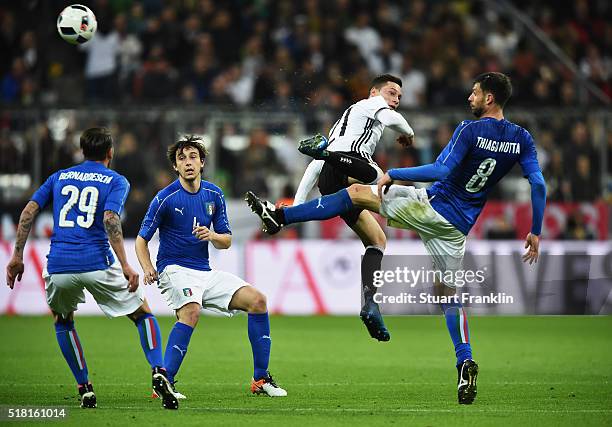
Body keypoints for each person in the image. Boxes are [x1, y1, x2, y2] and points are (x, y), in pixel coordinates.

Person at [246, 72, 547, 404]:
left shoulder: (470, 130)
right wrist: (535, 229)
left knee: (359, 192)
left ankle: (281, 214)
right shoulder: (522, 138)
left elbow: (441, 171)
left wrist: (395, 173)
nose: (469, 98)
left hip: (432, 207)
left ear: (489, 98)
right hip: (458, 228)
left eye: (475, 94)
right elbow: (538, 184)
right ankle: (464, 361)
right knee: (448, 295)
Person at [5, 127, 177, 410]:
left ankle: (84, 387)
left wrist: (17, 256)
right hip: (96, 260)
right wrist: (125, 264)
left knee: (63, 321)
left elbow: (28, 212)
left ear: (82, 151)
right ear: (110, 153)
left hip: (59, 264)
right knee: (143, 314)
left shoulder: (59, 177)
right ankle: (158, 370)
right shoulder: (116, 180)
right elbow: (110, 218)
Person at [135, 136, 287, 398]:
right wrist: (148, 267)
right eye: (181, 159)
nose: (188, 163)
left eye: (193, 157)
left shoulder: (214, 194)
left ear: (202, 162)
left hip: (204, 272)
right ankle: (164, 383)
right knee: (191, 312)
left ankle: (261, 379)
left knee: (258, 301)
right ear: (175, 167)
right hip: (173, 269)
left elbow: (226, 241)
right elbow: (141, 240)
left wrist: (212, 236)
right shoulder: (165, 197)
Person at [292, 74, 415, 342]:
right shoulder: (370, 106)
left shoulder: (345, 124)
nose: (395, 100)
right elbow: (393, 119)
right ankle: (329, 155)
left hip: (330, 175)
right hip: (351, 164)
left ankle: (371, 303)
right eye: (391, 93)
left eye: (399, 97)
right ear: (374, 92)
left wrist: (295, 207)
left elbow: (314, 167)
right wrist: (409, 133)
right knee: (381, 177)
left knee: (377, 240)